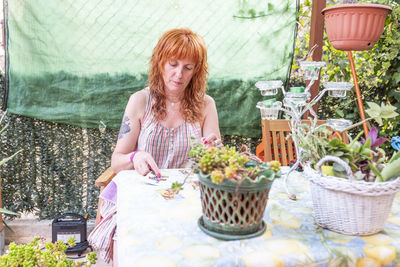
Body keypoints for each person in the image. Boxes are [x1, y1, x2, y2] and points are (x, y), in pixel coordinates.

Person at [88, 28, 221, 265]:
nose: (179, 74)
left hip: (186, 200)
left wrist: (213, 153)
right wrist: (135, 157)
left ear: (197, 71)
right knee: (131, 242)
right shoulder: (140, 101)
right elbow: (117, 161)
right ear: (160, 62)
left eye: (188, 67)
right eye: (173, 64)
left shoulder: (205, 105)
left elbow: (215, 161)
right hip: (142, 199)